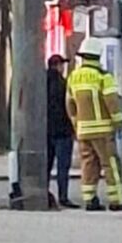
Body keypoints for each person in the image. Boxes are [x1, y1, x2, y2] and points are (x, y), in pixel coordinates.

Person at [65, 38, 122, 212]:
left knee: (88, 164)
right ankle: (116, 200)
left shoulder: (74, 77)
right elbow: (111, 101)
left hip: (83, 131)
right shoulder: (103, 77)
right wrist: (118, 122)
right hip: (102, 130)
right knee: (110, 164)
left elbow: (70, 104)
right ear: (98, 56)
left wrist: (76, 123)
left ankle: (90, 199)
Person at [47, 54, 78, 209]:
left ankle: (44, 193)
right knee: (63, 167)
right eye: (62, 65)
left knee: (46, 166)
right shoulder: (63, 84)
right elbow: (70, 106)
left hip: (46, 131)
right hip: (63, 131)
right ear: (58, 66)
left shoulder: (41, 83)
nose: (63, 68)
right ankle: (63, 196)